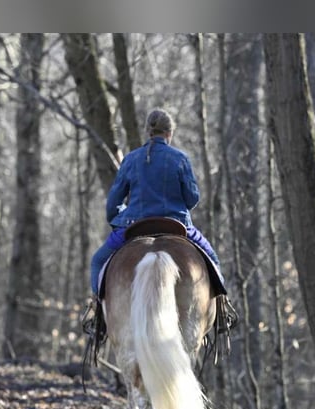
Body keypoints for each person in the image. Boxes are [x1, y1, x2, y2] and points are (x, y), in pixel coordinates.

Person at [87, 108, 236, 334]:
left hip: (133, 224)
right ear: (170, 133)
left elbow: (113, 203)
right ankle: (222, 315)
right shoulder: (180, 159)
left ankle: (98, 318)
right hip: (177, 224)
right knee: (213, 259)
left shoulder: (130, 159)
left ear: (148, 131)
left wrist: (119, 218)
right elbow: (192, 198)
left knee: (98, 261)